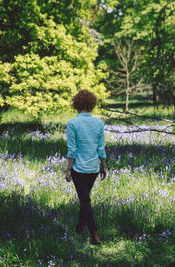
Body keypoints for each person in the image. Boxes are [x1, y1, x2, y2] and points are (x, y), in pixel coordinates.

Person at [65, 89, 107, 245]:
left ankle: (94, 234)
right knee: (85, 199)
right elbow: (100, 148)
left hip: (78, 169)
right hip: (94, 167)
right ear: (92, 104)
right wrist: (103, 166)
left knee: (85, 200)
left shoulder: (72, 123)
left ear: (76, 104)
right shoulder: (98, 123)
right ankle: (79, 227)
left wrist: (68, 169)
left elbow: (72, 150)